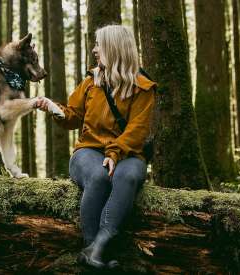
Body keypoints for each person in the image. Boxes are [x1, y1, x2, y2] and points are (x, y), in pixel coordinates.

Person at [35, 24, 156, 269]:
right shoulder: (91, 82)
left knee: (128, 176)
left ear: (113, 48)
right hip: (88, 153)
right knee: (100, 178)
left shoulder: (143, 87)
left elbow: (137, 130)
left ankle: (98, 246)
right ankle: (92, 247)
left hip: (128, 154)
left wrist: (114, 153)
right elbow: (72, 117)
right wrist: (54, 109)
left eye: (98, 45)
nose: (94, 50)